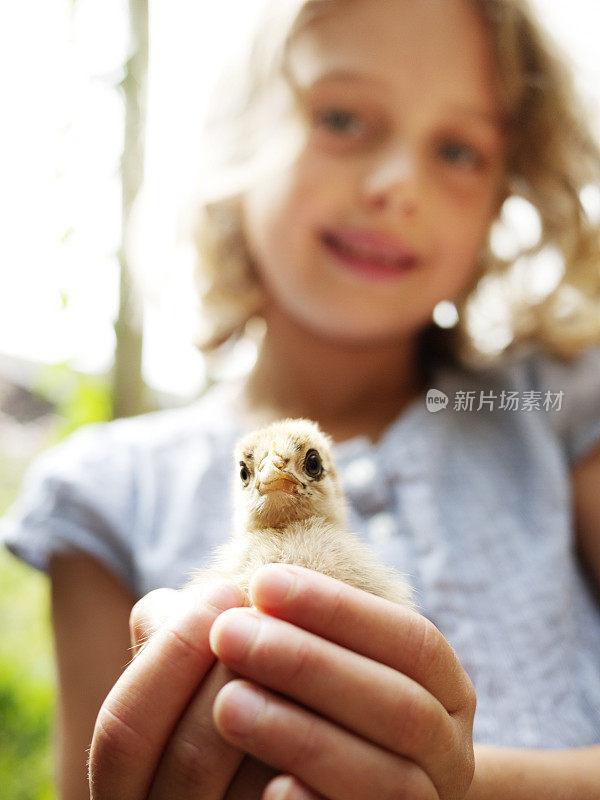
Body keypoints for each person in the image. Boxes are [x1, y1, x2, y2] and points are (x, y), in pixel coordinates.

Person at [2, 0, 600, 797]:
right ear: (238, 143)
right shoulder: (111, 490)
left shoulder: (546, 408)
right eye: (344, 117)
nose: (398, 185)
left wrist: (458, 783)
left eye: (458, 148)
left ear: (503, 196)